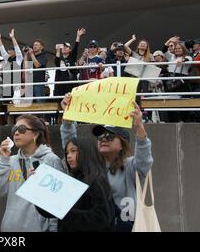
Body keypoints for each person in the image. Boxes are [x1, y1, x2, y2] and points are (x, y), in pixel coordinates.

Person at [60, 94, 153, 232]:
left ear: (122, 144)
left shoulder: (131, 167)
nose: (103, 139)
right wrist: (67, 119)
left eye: (109, 136)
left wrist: (139, 126)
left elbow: (144, 159)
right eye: (99, 136)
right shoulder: (90, 167)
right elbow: (72, 146)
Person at [0, 114, 64, 232]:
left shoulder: (51, 160)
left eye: (22, 129)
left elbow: (57, 203)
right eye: (14, 130)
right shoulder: (11, 160)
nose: (16, 133)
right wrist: (3, 160)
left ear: (35, 134)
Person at [36, 136, 115, 232]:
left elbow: (101, 218)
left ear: (86, 152)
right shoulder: (71, 180)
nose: (68, 156)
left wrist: (65, 213)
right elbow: (51, 211)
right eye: (67, 153)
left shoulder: (97, 181)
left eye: (73, 151)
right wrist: (37, 187)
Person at [53, 28, 84, 100]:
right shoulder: (60, 58)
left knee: (71, 102)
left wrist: (78, 36)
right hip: (60, 85)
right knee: (60, 102)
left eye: (66, 47)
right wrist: (57, 51)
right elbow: (56, 62)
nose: (64, 48)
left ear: (70, 49)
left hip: (70, 84)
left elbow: (76, 47)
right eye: (63, 47)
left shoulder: (72, 57)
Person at [0, 29, 23, 100]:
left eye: (10, 50)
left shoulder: (18, 58)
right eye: (9, 50)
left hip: (16, 83)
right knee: (6, 100)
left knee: (16, 100)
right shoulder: (8, 58)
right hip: (8, 82)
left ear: (14, 52)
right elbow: (2, 51)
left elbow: (17, 49)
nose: (8, 51)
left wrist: (13, 38)